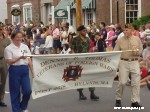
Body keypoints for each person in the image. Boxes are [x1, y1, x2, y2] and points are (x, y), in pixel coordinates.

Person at [114, 24, 143, 107]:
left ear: (131, 30)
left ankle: (135, 101)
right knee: (122, 82)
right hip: (123, 62)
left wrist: (138, 52)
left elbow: (141, 49)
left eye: (127, 30)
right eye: (124, 30)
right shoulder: (119, 40)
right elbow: (115, 51)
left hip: (134, 62)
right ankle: (118, 99)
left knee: (136, 82)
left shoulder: (137, 39)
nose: (125, 31)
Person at [4, 31, 33, 112]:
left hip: (24, 70)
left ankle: (23, 106)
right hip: (14, 70)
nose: (19, 39)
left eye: (21, 37)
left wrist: (33, 73)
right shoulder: (8, 48)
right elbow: (9, 61)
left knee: (28, 90)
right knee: (15, 92)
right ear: (12, 38)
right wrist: (19, 58)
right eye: (17, 37)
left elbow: (29, 59)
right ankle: (16, 110)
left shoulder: (25, 47)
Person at [71, 25, 99, 101]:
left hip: (87, 61)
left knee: (91, 76)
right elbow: (72, 49)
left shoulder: (87, 39)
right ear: (79, 32)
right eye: (83, 31)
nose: (85, 32)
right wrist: (74, 56)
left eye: (85, 31)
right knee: (80, 77)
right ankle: (80, 93)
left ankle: (92, 93)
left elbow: (89, 48)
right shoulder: (75, 39)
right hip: (79, 61)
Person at [0, 27, 11, 107]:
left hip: (3, 61)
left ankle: (1, 99)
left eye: (0, 29)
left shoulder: (7, 40)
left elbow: (11, 50)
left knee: (3, 82)